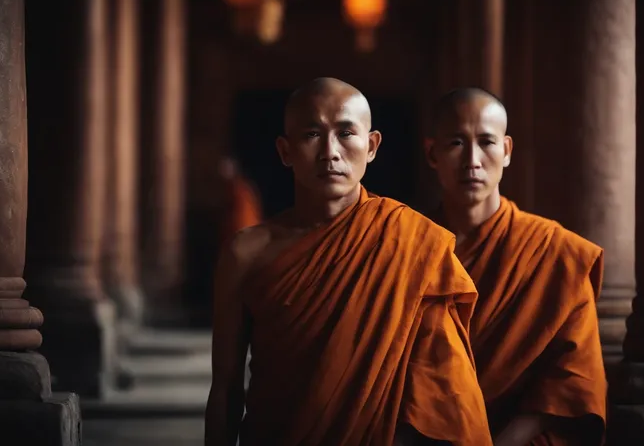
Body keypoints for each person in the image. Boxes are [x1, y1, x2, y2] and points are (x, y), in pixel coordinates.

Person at [205, 78, 492, 446]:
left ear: (371, 146)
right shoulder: (245, 254)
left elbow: (445, 395)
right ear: (285, 151)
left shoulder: (412, 244)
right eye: (311, 134)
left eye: (345, 133)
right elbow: (226, 391)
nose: (330, 152)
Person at [424, 88, 607, 446]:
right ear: (432, 153)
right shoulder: (412, 250)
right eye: (457, 143)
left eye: (487, 142)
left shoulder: (555, 253)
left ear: (506, 151)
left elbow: (571, 377)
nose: (473, 160)